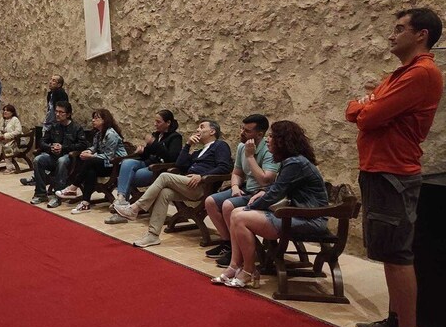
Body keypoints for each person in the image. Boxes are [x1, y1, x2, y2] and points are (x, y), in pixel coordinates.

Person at [347, 8, 443, 327]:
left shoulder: (421, 73)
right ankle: (394, 320)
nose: (392, 34)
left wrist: (365, 107)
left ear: (421, 35)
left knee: (398, 254)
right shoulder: (399, 74)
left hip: (393, 172)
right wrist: (365, 106)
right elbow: (360, 107)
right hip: (380, 169)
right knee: (389, 252)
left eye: (400, 29)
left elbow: (368, 114)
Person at [210, 120, 328, 289]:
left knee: (240, 216)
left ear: (283, 140)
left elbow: (276, 193)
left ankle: (249, 271)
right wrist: (263, 192)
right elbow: (277, 187)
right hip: (297, 214)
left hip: (310, 219)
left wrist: (253, 205)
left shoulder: (295, 162)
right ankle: (235, 266)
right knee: (236, 213)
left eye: (272, 136)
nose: (268, 139)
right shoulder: (292, 161)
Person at [113, 120, 232, 247]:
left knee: (164, 176)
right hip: (189, 185)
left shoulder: (220, 145)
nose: (197, 129)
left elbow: (225, 167)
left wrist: (202, 177)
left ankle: (135, 208)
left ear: (212, 131)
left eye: (201, 127)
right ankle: (153, 235)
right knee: (165, 193)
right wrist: (188, 144)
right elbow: (179, 164)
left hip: (203, 186)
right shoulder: (199, 152)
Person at [203, 114, 279, 267]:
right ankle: (228, 243)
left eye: (247, 131)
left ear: (259, 134)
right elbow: (237, 173)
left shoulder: (269, 150)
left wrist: (250, 157)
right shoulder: (241, 147)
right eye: (242, 128)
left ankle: (238, 251)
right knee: (210, 201)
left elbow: (266, 179)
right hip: (245, 189)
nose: (242, 133)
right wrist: (235, 186)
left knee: (228, 205)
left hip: (262, 192)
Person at [106, 110, 183, 224]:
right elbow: (148, 155)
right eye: (155, 121)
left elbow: (171, 157)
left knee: (126, 177)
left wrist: (154, 143)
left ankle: (121, 211)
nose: (155, 124)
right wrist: (142, 151)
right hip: (147, 164)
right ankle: (121, 200)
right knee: (127, 163)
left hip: (158, 169)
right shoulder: (156, 134)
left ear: (168, 123)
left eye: (158, 122)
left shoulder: (175, 137)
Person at [56, 109, 127, 214]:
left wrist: (91, 156)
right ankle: (85, 203)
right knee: (90, 170)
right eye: (93, 118)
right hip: (104, 163)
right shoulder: (98, 134)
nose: (93, 120)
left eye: (96, 118)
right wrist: (88, 151)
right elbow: (94, 147)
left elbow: (109, 155)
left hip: (115, 164)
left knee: (90, 162)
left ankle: (73, 187)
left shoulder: (111, 134)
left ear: (105, 120)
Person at [30, 102, 87, 205]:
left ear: (68, 114)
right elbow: (42, 141)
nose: (57, 114)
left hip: (69, 159)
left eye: (61, 112)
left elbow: (83, 145)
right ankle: (40, 194)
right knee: (38, 159)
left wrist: (64, 148)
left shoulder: (76, 128)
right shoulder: (54, 126)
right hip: (53, 157)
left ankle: (58, 196)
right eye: (56, 111)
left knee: (62, 160)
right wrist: (50, 147)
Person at [21, 74, 69, 186]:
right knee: (43, 150)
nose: (51, 82)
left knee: (52, 152)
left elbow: (58, 111)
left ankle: (46, 176)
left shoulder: (60, 93)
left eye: (54, 80)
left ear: (59, 84)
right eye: (51, 80)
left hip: (55, 126)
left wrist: (55, 124)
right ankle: (38, 176)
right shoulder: (51, 94)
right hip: (49, 125)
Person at [0, 104, 23, 173]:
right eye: (4, 110)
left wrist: (6, 136)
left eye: (7, 111)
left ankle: (9, 167)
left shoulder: (15, 120)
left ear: (12, 112)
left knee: (7, 147)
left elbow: (18, 131)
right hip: (2, 140)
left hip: (12, 140)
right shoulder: (2, 119)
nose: (5, 112)